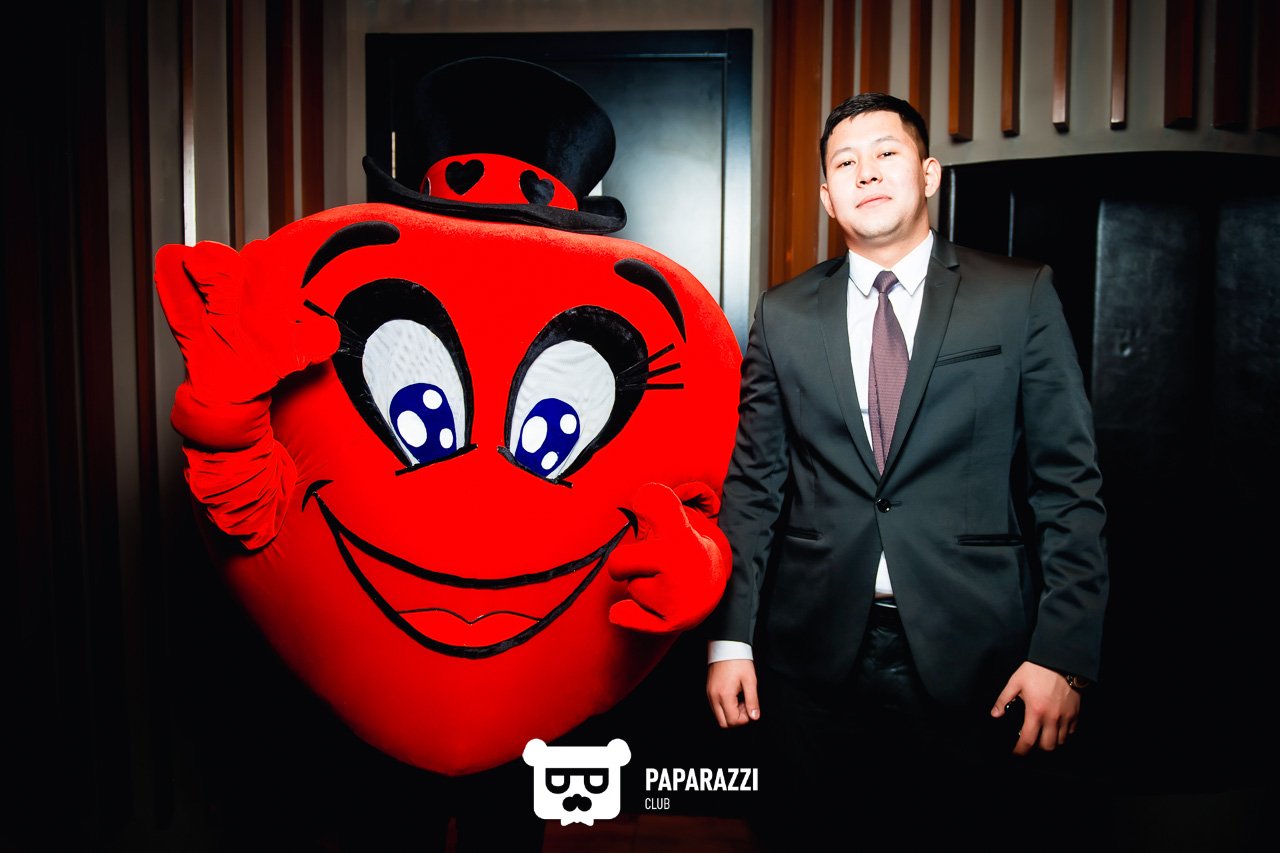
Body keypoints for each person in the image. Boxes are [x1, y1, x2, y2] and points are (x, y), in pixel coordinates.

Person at [705, 93, 1107, 845]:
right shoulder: (783, 313)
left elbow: (1068, 487)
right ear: (827, 196)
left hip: (980, 655)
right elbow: (754, 488)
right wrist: (731, 640)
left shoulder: (1017, 295)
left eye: (887, 153)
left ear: (928, 174)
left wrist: (1063, 653)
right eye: (845, 163)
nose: (867, 172)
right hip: (811, 660)